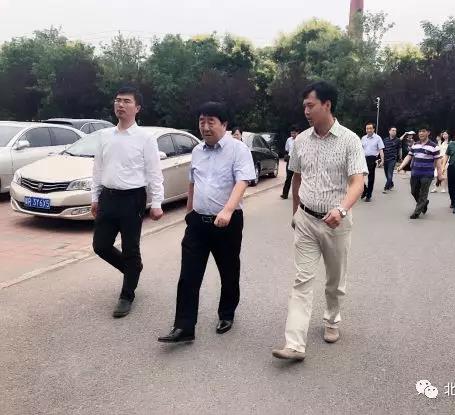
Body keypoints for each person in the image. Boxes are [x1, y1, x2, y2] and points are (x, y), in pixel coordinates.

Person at [271, 81, 367, 362]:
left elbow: (357, 182)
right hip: (306, 219)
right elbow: (296, 178)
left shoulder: (350, 140)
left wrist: (342, 209)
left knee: (334, 281)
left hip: (337, 223)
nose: (306, 111)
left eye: (310, 105)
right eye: (304, 106)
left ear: (327, 105)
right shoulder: (301, 141)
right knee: (302, 280)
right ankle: (294, 344)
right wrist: (295, 213)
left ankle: (332, 319)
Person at [158, 102, 256, 343]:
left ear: (224, 124)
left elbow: (242, 181)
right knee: (188, 275)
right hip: (197, 223)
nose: (205, 127)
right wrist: (189, 211)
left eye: (211, 121)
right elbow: (193, 182)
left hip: (227, 223)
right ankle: (184, 327)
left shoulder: (238, 149)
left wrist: (228, 211)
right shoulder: (197, 151)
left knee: (228, 271)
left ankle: (227, 314)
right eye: (202, 121)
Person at [92, 86, 164, 318]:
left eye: (126, 101)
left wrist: (157, 202)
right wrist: (95, 197)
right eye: (117, 100)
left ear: (137, 108)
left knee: (130, 248)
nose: (120, 105)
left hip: (132, 199)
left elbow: (154, 173)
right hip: (108, 197)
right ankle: (133, 270)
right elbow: (98, 169)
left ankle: (127, 295)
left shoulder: (145, 138)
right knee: (100, 246)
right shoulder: (104, 136)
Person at [397, 126, 443, 219]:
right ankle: (424, 203)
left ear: (428, 133)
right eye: (420, 131)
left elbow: (438, 162)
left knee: (423, 193)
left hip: (427, 174)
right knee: (413, 191)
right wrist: (401, 166)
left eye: (423, 131)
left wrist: (440, 175)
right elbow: (409, 156)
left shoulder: (434, 146)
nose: (421, 133)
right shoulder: (415, 145)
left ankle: (416, 212)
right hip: (415, 173)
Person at [360, 122, 384, 202]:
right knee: (359, 176)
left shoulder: (378, 138)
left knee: (370, 177)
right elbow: (360, 149)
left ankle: (369, 195)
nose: (368, 130)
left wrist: (382, 160)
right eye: (367, 128)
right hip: (363, 158)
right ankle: (365, 189)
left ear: (373, 129)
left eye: (370, 128)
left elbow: (381, 149)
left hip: (372, 158)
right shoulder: (363, 138)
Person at [281, 125, 301, 200]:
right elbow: (286, 149)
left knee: (299, 178)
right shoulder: (289, 140)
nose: (292, 135)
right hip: (290, 159)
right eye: (291, 133)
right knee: (288, 177)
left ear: (298, 132)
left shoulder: (301, 139)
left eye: (294, 133)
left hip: (298, 160)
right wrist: (286, 156)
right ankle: (285, 194)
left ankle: (300, 194)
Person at [382, 126, 402, 193]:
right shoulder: (385, 140)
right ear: (389, 131)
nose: (394, 132)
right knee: (386, 174)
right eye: (393, 130)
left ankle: (386, 187)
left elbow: (400, 149)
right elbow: (382, 149)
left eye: (395, 130)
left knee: (390, 173)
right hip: (385, 159)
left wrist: (400, 158)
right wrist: (380, 159)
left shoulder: (398, 140)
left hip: (392, 159)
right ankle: (391, 183)